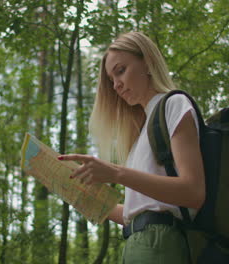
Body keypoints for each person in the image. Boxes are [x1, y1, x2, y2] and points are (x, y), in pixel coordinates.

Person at [58, 32, 205, 263]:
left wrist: (116, 173)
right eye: (111, 78)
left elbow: (193, 192)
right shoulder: (139, 137)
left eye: (120, 70)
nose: (116, 84)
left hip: (162, 243)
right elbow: (134, 212)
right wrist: (81, 196)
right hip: (134, 244)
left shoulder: (174, 104)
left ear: (146, 62)